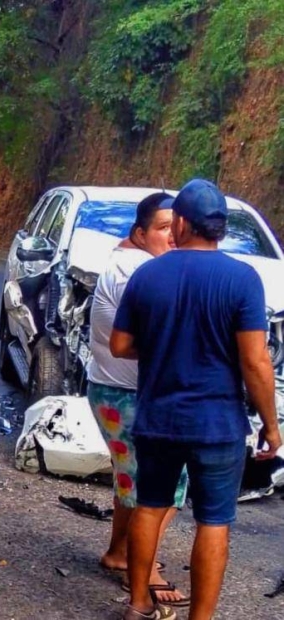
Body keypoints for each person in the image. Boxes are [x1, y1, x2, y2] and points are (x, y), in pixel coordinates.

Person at [111, 179, 282, 620]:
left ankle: (138, 604)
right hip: (217, 425)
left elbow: (120, 344)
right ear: (220, 228)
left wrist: (165, 345)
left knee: (150, 506)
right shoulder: (243, 279)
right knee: (214, 521)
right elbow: (255, 361)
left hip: (158, 417)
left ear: (182, 223)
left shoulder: (148, 274)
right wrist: (271, 425)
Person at [86, 193, 189, 609]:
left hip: (115, 390)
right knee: (167, 485)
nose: (174, 236)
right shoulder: (137, 272)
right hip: (125, 394)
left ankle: (119, 552)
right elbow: (165, 337)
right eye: (163, 228)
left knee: (130, 481)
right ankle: (142, 570)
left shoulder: (132, 263)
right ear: (140, 233)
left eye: (176, 227)